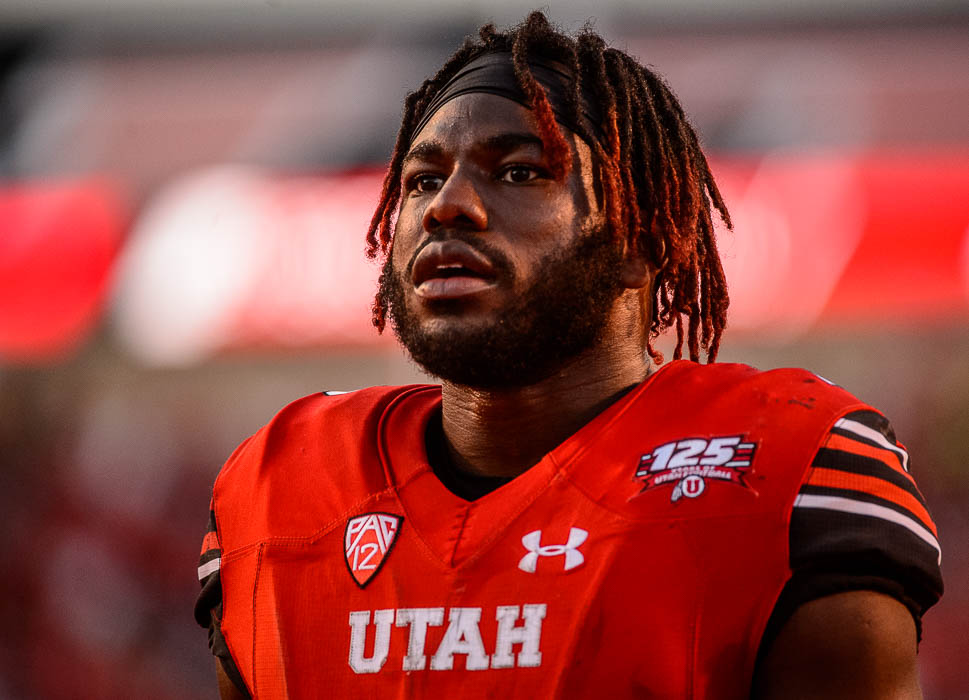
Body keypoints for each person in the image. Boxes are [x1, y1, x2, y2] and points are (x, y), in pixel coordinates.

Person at [195, 12, 943, 699]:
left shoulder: (790, 466)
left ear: (643, 241)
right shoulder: (276, 488)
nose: (444, 205)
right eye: (422, 179)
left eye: (520, 170)